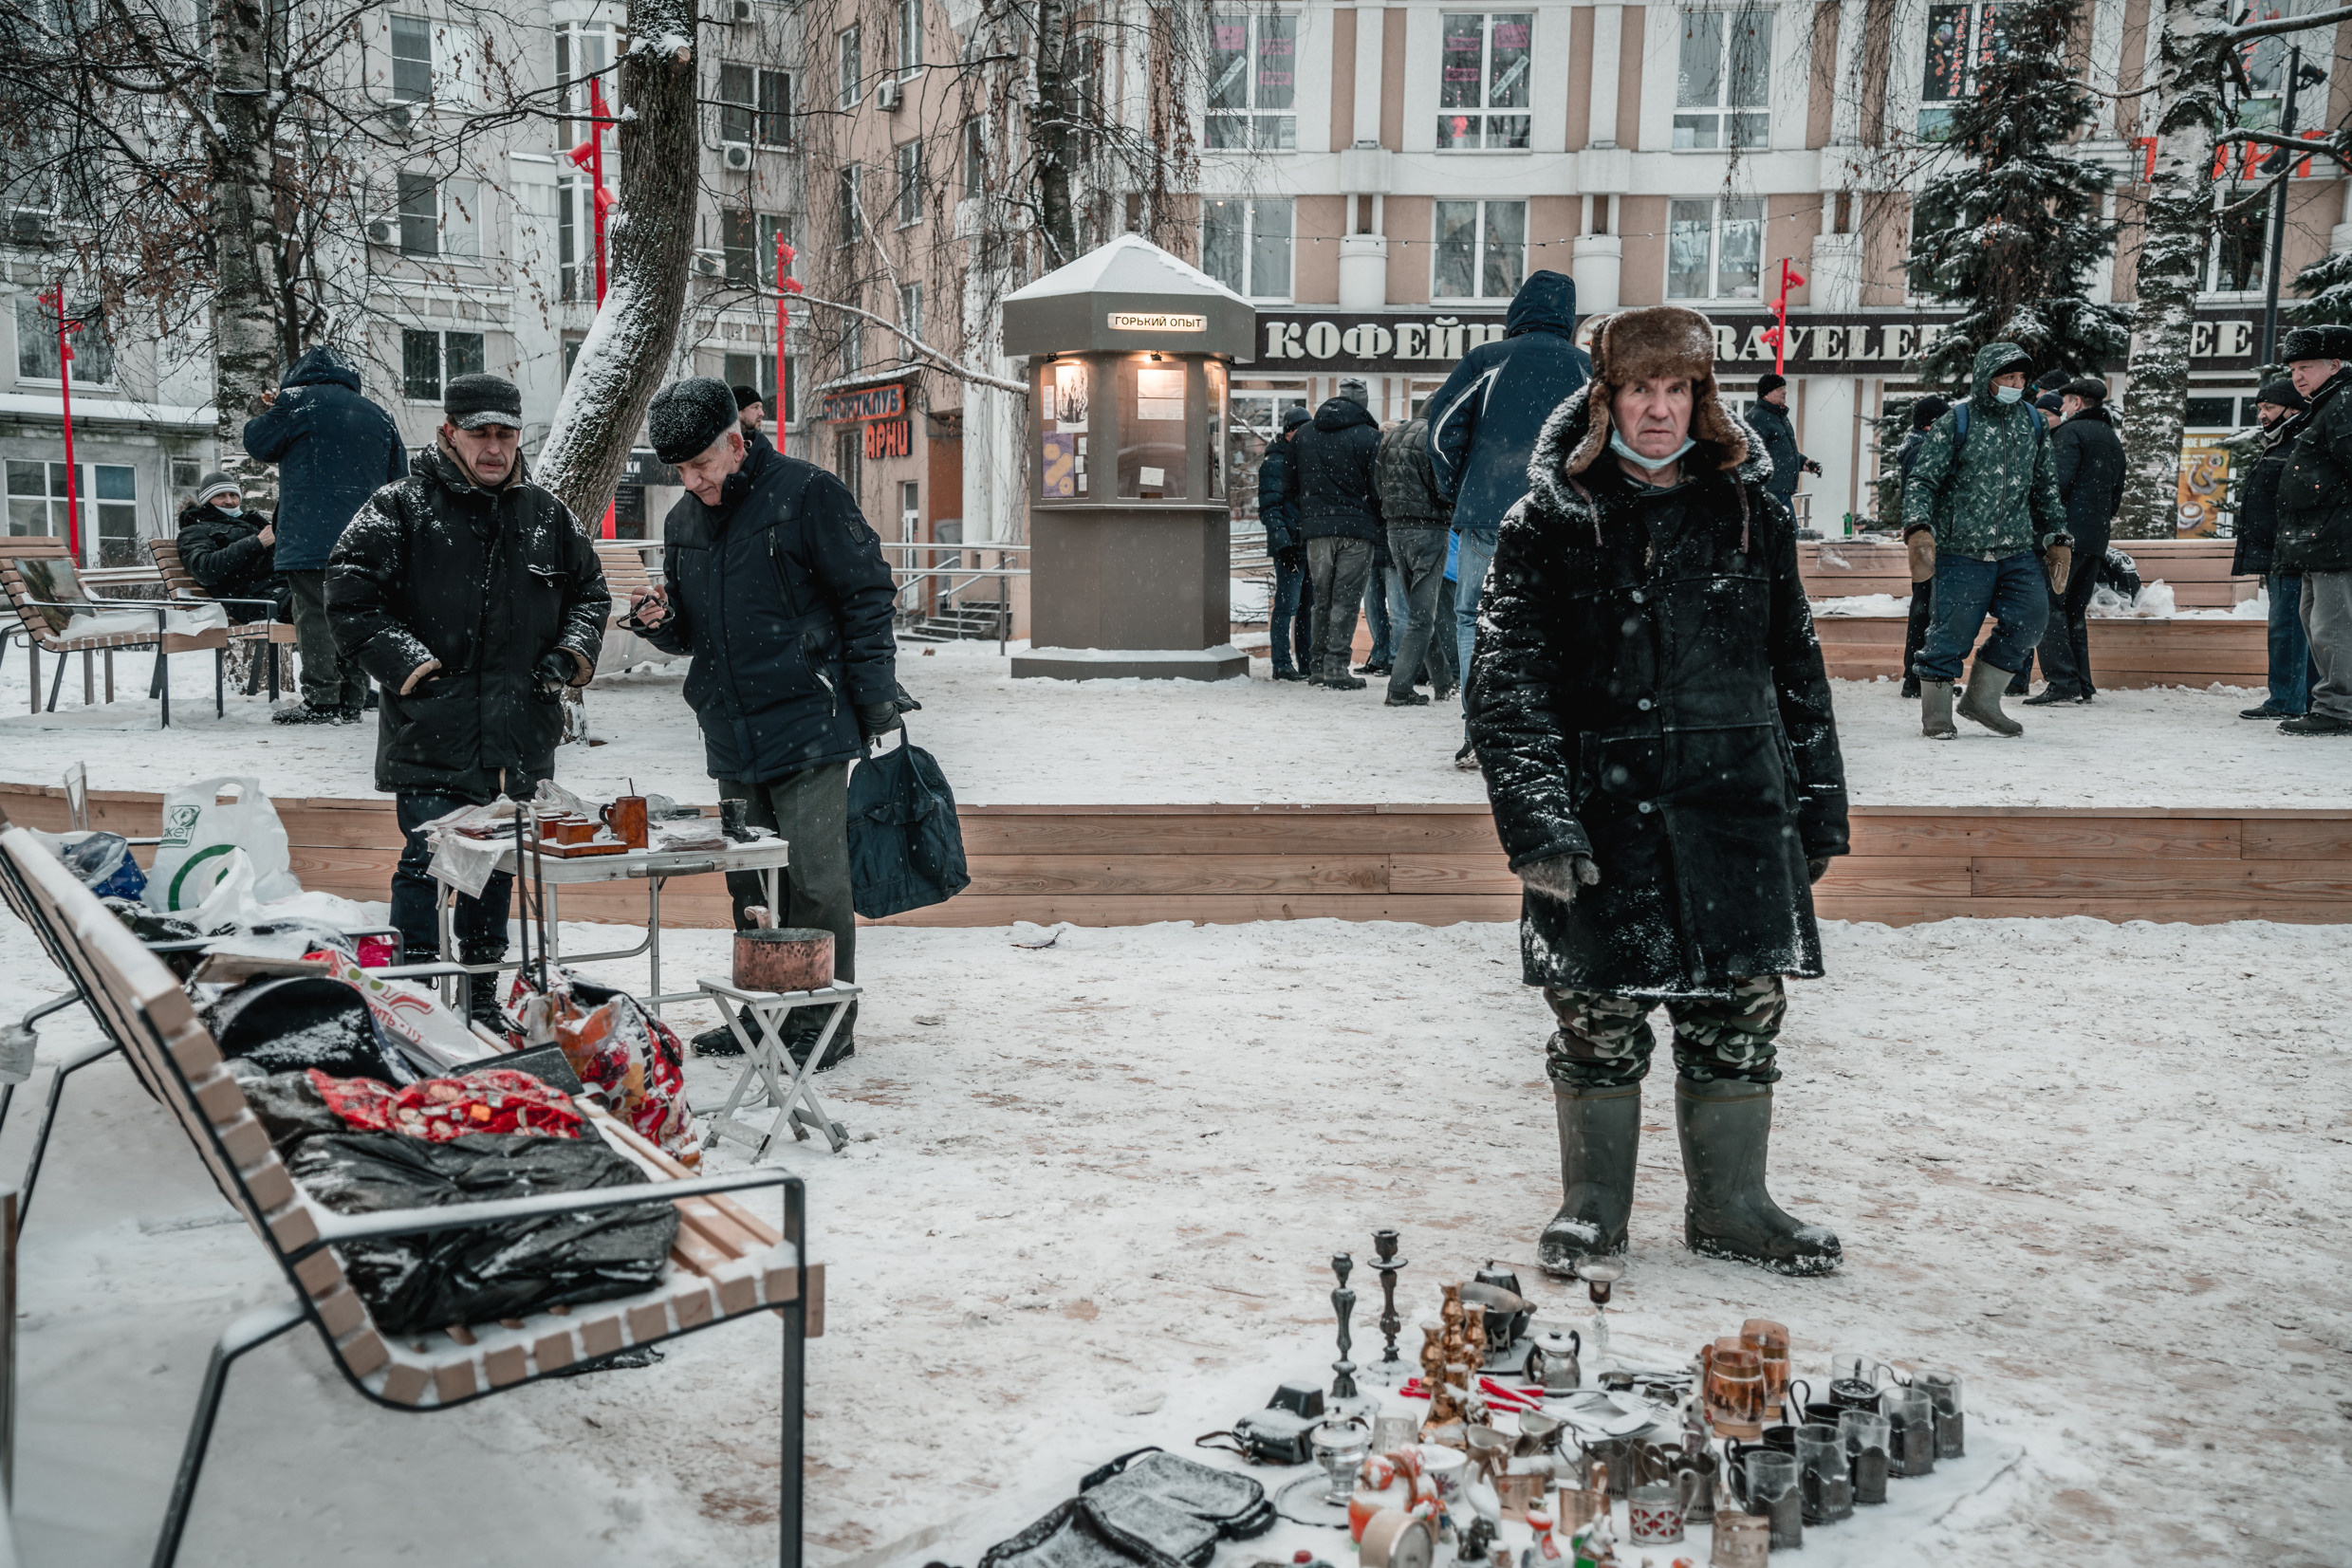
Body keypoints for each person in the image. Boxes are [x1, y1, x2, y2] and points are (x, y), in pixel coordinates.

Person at [1469, 304, 1848, 1279]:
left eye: (1677, 389)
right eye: (1641, 388)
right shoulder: (1546, 521)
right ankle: (1592, 1206)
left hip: (1734, 806)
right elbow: (1508, 683)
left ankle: (1733, 1207)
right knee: (1595, 1019)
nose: (1658, 410)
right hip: (1606, 811)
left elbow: (1795, 665)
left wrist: (1817, 804)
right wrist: (1537, 821)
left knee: (1740, 1017)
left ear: (1702, 400)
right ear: (1606, 398)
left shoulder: (1750, 513)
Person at [626, 378, 902, 1063]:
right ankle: (763, 1013)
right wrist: (662, 624)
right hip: (730, 723)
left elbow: (867, 597)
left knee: (813, 881)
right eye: (680, 471)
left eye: (702, 465)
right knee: (748, 881)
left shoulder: (807, 494)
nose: (691, 482)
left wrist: (871, 699)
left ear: (735, 441)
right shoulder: (684, 520)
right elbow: (694, 629)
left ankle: (823, 1023)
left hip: (809, 717)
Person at [326, 373, 608, 1024]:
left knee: (497, 864)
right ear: (448, 433)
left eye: (504, 434)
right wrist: (414, 669)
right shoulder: (399, 507)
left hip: (519, 728)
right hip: (432, 725)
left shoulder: (546, 515)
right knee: (427, 860)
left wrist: (567, 656)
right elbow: (348, 592)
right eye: (479, 433)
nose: (493, 447)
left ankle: (481, 997)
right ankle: (417, 992)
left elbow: (590, 594)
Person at [1427, 270, 1590, 761]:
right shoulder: (1587, 370)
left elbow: (1440, 431)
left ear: (1518, 310)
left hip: (1488, 513)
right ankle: (1545, 730)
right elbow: (1605, 444)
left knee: (1474, 617)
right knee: (1557, 619)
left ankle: (1480, 732)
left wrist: (1459, 487)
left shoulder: (1486, 360)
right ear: (1569, 317)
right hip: (1559, 517)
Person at [1900, 342, 2070, 739]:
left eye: (2020, 378)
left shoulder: (2032, 423)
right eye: (2007, 378)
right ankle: (1938, 715)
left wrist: (2057, 537)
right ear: (1986, 379)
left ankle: (1981, 700)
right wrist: (1918, 528)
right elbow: (1923, 480)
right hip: (1962, 550)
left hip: (2015, 549)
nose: (2016, 384)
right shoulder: (1956, 422)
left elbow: (2045, 487)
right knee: (1952, 633)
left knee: (2032, 619)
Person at [243, 344, 409, 724]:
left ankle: (321, 700)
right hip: (365, 537)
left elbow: (256, 441)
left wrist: (276, 405)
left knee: (314, 614)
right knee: (354, 613)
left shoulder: (297, 403)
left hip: (308, 534)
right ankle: (351, 698)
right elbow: (398, 477)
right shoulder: (377, 415)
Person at [2024, 378, 2127, 706]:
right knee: (2073, 612)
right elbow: (2115, 498)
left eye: (2066, 402)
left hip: (2062, 539)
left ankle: (2062, 682)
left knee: (2049, 608)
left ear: (2078, 404)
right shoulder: (2112, 439)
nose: (2063, 408)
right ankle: (2082, 682)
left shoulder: (2070, 434)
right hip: (2095, 540)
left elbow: (2055, 486)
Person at [2270, 323, 2352, 735]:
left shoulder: (2343, 404)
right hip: (2318, 541)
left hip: (2336, 540)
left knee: (2332, 625)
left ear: (2335, 365)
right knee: (2316, 622)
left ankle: (2339, 709)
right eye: (2292, 368)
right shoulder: (2327, 403)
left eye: (2306, 366)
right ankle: (2333, 704)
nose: (2297, 376)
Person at [2233, 378, 2317, 720]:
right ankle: (2304, 698)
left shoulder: (2295, 445)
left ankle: (2286, 700)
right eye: (2259, 408)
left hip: (2289, 552)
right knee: (2298, 627)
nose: (2262, 415)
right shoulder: (2279, 443)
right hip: (2281, 550)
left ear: (2293, 409)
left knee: (2288, 627)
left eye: (2268, 407)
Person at [1293, 377, 1385, 689]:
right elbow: (1378, 489)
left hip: (1317, 530)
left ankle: (1317, 665)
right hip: (1357, 530)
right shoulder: (1371, 437)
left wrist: (1308, 516)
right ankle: (1336, 667)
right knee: (1345, 601)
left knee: (1321, 600)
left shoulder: (1304, 434)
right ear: (1363, 404)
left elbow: (1289, 486)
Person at [1374, 413, 1458, 706]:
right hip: (1430, 530)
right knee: (1422, 618)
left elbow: (1377, 483)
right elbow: (1443, 487)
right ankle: (1399, 689)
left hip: (1395, 530)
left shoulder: (1393, 435)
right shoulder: (1435, 437)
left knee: (1421, 613)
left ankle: (1443, 682)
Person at [1894, 395, 1951, 699]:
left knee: (1926, 603)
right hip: (1927, 535)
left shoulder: (1917, 447)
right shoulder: (1922, 452)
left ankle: (1917, 677)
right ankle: (1915, 678)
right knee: (1926, 606)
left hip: (1925, 533)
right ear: (1932, 425)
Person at [176, 472, 289, 626]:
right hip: (255, 600)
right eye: (221, 496)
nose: (229, 501)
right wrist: (256, 543)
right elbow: (205, 570)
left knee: (329, 593)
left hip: (284, 589)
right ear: (206, 501)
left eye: (233, 495)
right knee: (318, 604)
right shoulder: (194, 530)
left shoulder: (251, 522)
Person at [1258, 405, 1314, 681]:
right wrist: (1284, 544)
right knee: (1286, 607)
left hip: (1307, 544)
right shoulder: (1274, 463)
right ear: (1290, 432)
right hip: (1289, 546)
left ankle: (1306, 663)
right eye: (1303, 430)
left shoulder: (1304, 460)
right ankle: (1281, 664)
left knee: (1307, 608)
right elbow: (1270, 508)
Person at [1745, 373, 1821, 520]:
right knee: (1785, 536)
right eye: (1780, 389)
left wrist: (1803, 462)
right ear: (1767, 393)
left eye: (1784, 388)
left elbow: (1782, 452)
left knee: (1788, 535)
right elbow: (1754, 454)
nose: (1784, 391)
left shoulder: (1779, 417)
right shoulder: (1758, 418)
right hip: (1770, 492)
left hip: (1782, 491)